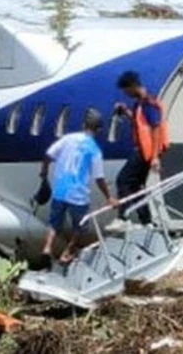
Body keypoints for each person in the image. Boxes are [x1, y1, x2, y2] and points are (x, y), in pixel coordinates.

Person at [40, 109, 119, 264]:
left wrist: (44, 172)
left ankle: (47, 247)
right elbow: (99, 178)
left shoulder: (68, 139)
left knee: (54, 223)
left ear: (83, 125)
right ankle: (67, 252)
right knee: (81, 227)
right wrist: (109, 197)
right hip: (78, 195)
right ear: (98, 130)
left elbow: (48, 155)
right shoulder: (94, 150)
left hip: (60, 190)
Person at [113, 70, 169, 225]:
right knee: (137, 186)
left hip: (146, 151)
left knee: (123, 181)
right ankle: (146, 220)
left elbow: (155, 127)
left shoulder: (148, 103)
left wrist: (156, 156)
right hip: (144, 150)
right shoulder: (139, 103)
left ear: (132, 87)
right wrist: (126, 112)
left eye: (126, 91)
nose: (126, 94)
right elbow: (139, 124)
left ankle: (122, 217)